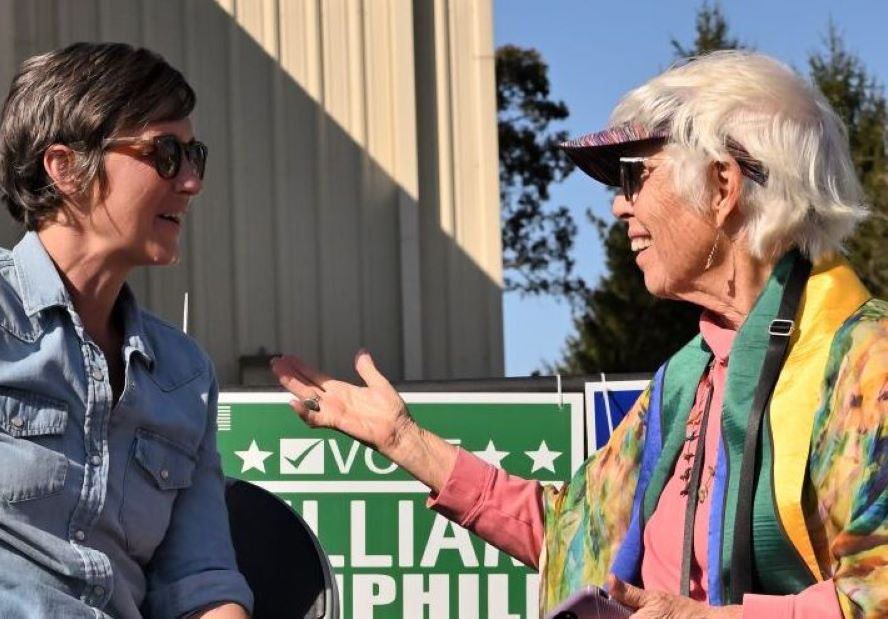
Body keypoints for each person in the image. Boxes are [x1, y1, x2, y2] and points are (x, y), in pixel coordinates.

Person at [271, 51, 888, 618]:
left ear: (723, 186)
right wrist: (403, 439)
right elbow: (573, 532)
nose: (618, 206)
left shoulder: (869, 362)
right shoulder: (686, 381)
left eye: (632, 176)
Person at [0, 43, 251, 618]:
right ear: (65, 168)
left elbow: (199, 582)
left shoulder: (185, 375)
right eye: (166, 152)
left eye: (193, 155)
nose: (190, 182)